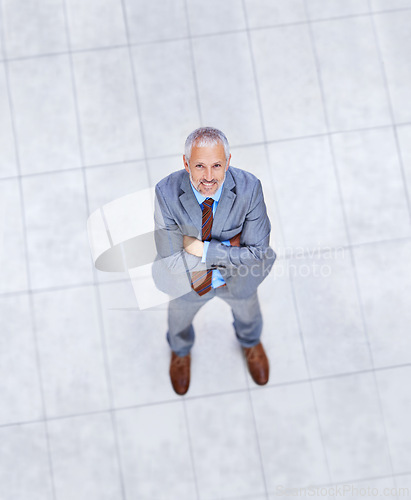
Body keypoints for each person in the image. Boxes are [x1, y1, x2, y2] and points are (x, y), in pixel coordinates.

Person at [152, 127, 276, 395]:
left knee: (250, 315)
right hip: (189, 281)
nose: (208, 177)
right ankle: (180, 351)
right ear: (186, 164)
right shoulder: (166, 192)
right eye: (199, 166)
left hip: (237, 281)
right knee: (178, 322)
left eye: (217, 165)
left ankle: (250, 342)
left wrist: (201, 250)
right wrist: (234, 246)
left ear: (228, 162)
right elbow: (171, 260)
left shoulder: (250, 188)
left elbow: (258, 253)